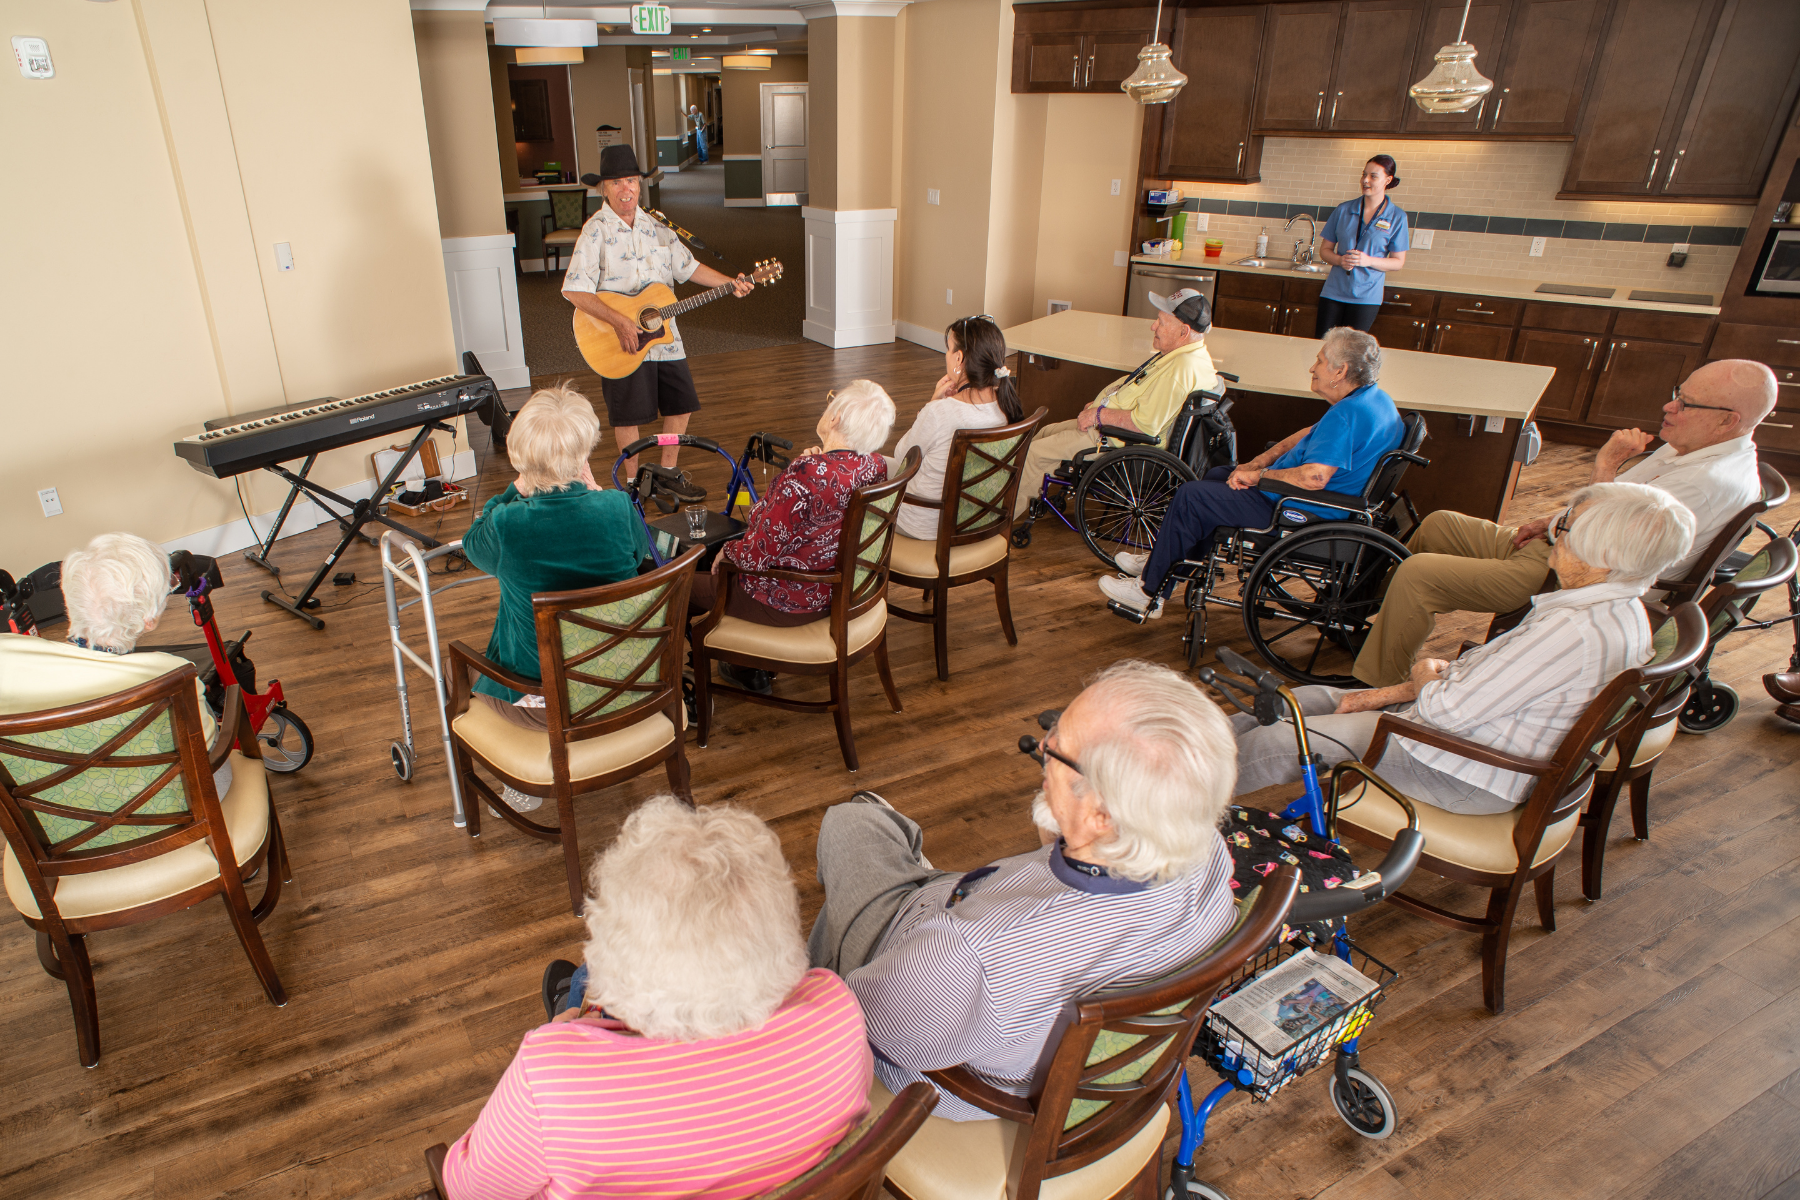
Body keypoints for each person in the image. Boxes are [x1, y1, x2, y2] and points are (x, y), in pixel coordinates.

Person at [808, 660, 1240, 1120]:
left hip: (946, 1060)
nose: (1043, 748)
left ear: (1103, 818)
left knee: (851, 825)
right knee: (874, 869)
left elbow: (867, 1025)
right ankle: (897, 886)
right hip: (1020, 1021)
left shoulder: (975, 952)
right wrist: (1066, 826)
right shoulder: (1206, 850)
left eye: (1055, 750)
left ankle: (832, 947)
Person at [443, 796, 873, 1198]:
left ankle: (573, 1001)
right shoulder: (836, 1011)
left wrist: (561, 1042)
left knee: (579, 992)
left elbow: (467, 1187)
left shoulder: (552, 1080)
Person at [1232, 483, 1695, 814]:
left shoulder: (1576, 632)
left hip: (1464, 769)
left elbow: (1443, 712)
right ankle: (1177, 750)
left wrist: (1424, 669)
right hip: (1462, 738)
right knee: (1301, 698)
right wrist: (1396, 689)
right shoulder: (1620, 607)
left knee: (1278, 741)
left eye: (1567, 530)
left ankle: (1175, 804)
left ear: (1605, 557)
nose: (1555, 534)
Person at [1350, 358, 1777, 687]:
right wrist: (1551, 520)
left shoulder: (1702, 482)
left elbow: (1598, 545)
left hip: (1573, 574)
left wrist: (1606, 464)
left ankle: (1377, 681)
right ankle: (1369, 619)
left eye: (1686, 403)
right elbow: (1603, 514)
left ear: (1728, 420)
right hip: (1560, 543)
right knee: (1440, 524)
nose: (1669, 406)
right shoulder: (1694, 446)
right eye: (1677, 393)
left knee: (1418, 573)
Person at [1100, 327, 1403, 619]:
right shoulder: (1374, 401)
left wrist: (1259, 478)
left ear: (1340, 371)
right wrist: (1259, 462)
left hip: (1298, 509)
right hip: (1305, 500)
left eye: (1321, 361)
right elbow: (1308, 434)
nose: (1313, 368)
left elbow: (1314, 477)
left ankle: (1149, 593)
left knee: (1193, 497)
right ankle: (1167, 563)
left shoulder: (1348, 416)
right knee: (1219, 474)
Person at [461, 385, 649, 764]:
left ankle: (519, 765)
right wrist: (599, 492)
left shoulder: (506, 522)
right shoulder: (617, 506)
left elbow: (472, 545)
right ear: (585, 452)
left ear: (520, 459)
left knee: (456, 671)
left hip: (545, 702)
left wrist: (513, 489)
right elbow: (640, 552)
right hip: (625, 682)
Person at [562, 144, 753, 500]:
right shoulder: (595, 232)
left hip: (665, 336)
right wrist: (619, 320)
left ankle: (666, 474)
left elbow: (688, 267)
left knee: (680, 407)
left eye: (632, 180)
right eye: (617, 182)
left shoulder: (657, 226)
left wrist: (730, 283)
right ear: (603, 187)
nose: (627, 189)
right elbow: (575, 291)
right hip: (617, 340)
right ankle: (634, 486)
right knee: (627, 416)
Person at [690, 380, 895, 691]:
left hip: (788, 601)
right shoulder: (875, 467)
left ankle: (716, 673)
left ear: (835, 418)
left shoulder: (806, 474)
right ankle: (745, 664)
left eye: (831, 400)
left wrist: (728, 551)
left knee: (676, 586)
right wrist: (808, 464)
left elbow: (757, 554)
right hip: (839, 590)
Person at [0, 532, 232, 794]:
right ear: (149, 620)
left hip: (52, 819)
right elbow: (205, 747)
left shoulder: (7, 656)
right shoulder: (173, 674)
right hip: (170, 817)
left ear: (69, 599)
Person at [1014, 288, 1219, 518]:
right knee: (1045, 432)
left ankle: (998, 524)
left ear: (1184, 331)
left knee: (1034, 454)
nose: (1153, 327)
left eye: (1161, 322)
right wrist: (1102, 404)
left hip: (1116, 440)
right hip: (1109, 431)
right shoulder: (1188, 356)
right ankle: (1025, 495)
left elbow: (1145, 425)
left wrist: (1098, 415)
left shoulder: (1180, 370)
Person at [888, 315, 1022, 541]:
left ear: (959, 358)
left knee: (870, 468)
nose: (946, 356)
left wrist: (932, 403)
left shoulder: (939, 412)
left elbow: (903, 457)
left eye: (948, 349)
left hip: (925, 525)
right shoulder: (1007, 405)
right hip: (978, 519)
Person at [1314, 154, 1409, 337]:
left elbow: (1398, 262)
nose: (1365, 180)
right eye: (1364, 174)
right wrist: (1340, 260)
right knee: (1323, 345)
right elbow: (1325, 251)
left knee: (1351, 352)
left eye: (1373, 176)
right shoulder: (1343, 210)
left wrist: (1367, 260)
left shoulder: (1397, 217)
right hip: (1333, 293)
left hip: (1366, 297)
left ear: (1387, 180)